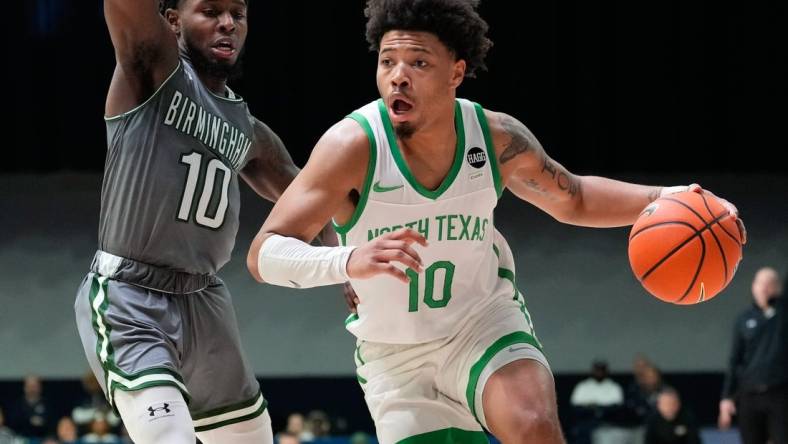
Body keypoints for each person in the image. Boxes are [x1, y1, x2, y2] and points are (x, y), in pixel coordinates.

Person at [247, 0, 745, 442]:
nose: (398, 75)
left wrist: (671, 196)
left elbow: (572, 197)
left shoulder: (495, 137)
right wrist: (347, 259)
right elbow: (264, 253)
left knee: (532, 425)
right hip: (395, 354)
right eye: (387, 62)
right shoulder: (350, 146)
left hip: (481, 324)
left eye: (418, 62)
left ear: (456, 73)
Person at [73, 0, 316, 443]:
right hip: (132, 296)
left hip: (205, 300)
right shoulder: (152, 70)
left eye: (238, 14)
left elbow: (310, 198)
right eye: (210, 11)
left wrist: (350, 267)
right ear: (171, 21)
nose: (227, 23)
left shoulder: (248, 129)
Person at [719, 267, 787, 444]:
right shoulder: (743, 319)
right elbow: (735, 359)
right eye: (760, 283)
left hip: (779, 393)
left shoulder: (783, 314)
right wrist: (726, 397)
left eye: (770, 284)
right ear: (753, 287)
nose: (764, 288)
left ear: (778, 288)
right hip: (749, 394)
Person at [570, 360, 624, 444]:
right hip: (586, 423)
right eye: (597, 370)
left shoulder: (614, 387)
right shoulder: (583, 386)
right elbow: (576, 407)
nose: (599, 372)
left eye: (602, 370)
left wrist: (598, 409)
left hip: (608, 423)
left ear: (606, 371)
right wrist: (594, 409)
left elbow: (616, 407)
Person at [5, 374, 53, 439]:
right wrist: (29, 421)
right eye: (29, 386)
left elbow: (52, 424)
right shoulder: (17, 405)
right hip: (20, 439)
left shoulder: (47, 404)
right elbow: (12, 424)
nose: (32, 389)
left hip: (42, 439)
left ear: (40, 387)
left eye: (34, 386)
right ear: (24, 388)